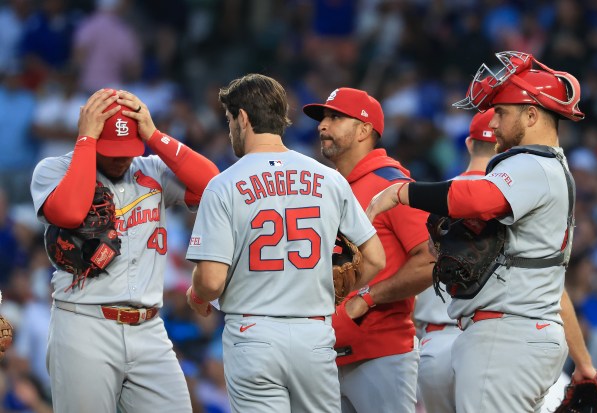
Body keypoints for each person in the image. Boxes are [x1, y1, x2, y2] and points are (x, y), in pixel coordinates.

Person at [366, 51, 597, 412]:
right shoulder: (547, 166)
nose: (496, 120)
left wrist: (401, 192)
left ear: (532, 115)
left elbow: (478, 197)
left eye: (503, 112)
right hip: (519, 332)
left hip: (507, 336)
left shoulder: (533, 163)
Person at [185, 74, 386, 413]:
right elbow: (376, 259)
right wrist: (329, 292)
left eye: (230, 119)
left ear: (243, 118)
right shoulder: (328, 178)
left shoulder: (224, 184)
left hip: (254, 332)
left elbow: (211, 281)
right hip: (314, 333)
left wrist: (197, 295)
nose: (230, 127)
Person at [30, 88, 219, 413]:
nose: (120, 157)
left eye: (127, 148)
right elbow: (71, 213)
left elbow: (212, 185)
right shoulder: (54, 169)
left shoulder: (152, 168)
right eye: (111, 148)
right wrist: (86, 141)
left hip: (149, 327)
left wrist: (155, 135)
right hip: (84, 323)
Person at [302, 87, 434, 412]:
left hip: (381, 355)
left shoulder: (392, 184)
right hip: (326, 355)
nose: (323, 125)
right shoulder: (330, 187)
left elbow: (430, 261)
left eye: (335, 118)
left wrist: (368, 297)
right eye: (322, 118)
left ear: (364, 130)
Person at [414, 108, 497, 413]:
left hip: (435, 342)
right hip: (490, 341)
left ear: (469, 144)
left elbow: (416, 267)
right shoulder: (515, 205)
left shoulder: (430, 197)